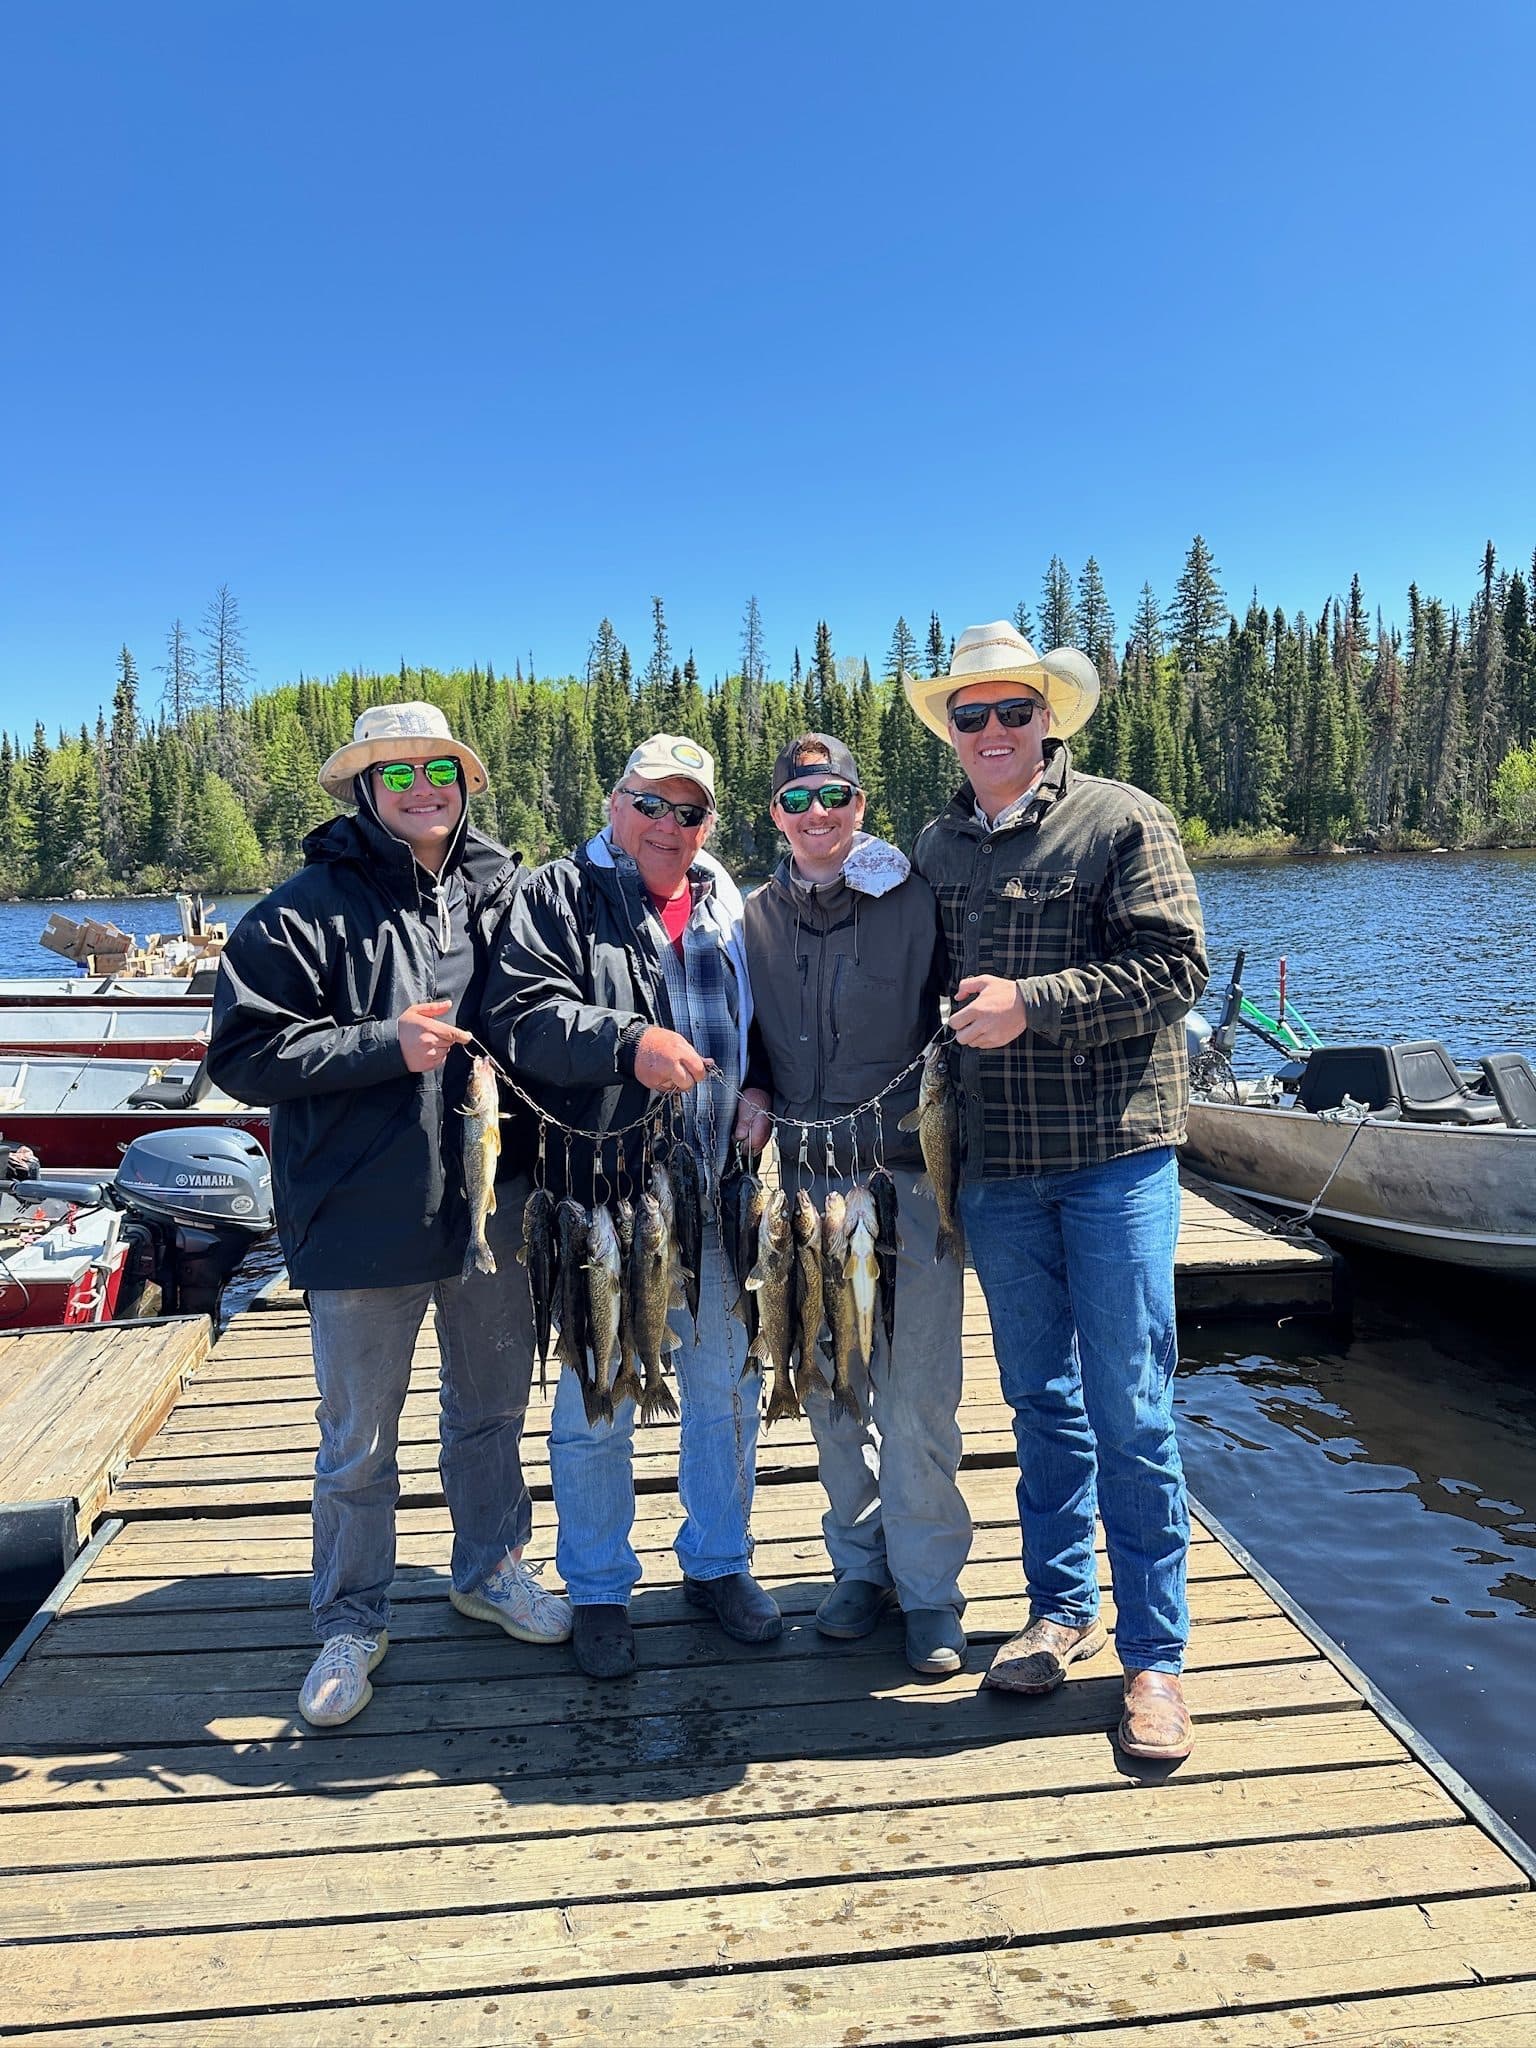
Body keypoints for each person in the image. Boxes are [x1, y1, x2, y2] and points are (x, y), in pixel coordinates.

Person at [208, 702, 570, 1729]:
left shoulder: (506, 892)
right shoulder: (297, 911)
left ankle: (489, 1567)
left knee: (492, 1411)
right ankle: (350, 1616)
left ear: (464, 782)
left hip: (494, 1204)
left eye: (439, 770)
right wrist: (381, 1044)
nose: (423, 788)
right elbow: (239, 1055)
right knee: (358, 1438)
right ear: (363, 789)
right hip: (359, 1215)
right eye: (398, 772)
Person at [909, 621, 1208, 1760]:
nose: (993, 731)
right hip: (994, 1169)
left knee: (1131, 1405)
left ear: (1048, 719)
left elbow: (1174, 966)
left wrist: (1035, 1001)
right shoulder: (935, 846)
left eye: (1012, 712)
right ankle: (1060, 1607)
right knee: (1040, 1399)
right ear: (953, 729)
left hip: (1116, 1155)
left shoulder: (1123, 818)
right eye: (971, 715)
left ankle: (1156, 1658)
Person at [481, 733, 778, 1680]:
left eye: (689, 812)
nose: (667, 826)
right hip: (604, 1196)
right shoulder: (557, 895)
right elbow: (519, 1016)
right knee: (594, 1396)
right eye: (650, 804)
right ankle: (600, 1584)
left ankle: (718, 1563)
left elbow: (756, 1019)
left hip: (720, 1189)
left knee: (726, 1390)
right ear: (616, 804)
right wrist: (627, 1045)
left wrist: (761, 1085)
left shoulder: (728, 895)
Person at [739, 733, 970, 1676]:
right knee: (833, 1393)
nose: (818, 814)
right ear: (777, 817)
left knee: (917, 1402)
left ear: (859, 804)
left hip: (910, 1184)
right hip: (802, 1187)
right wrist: (752, 1087)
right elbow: (740, 1030)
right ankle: (856, 1569)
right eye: (799, 800)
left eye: (834, 795)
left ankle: (929, 1593)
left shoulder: (916, 896)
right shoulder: (748, 916)